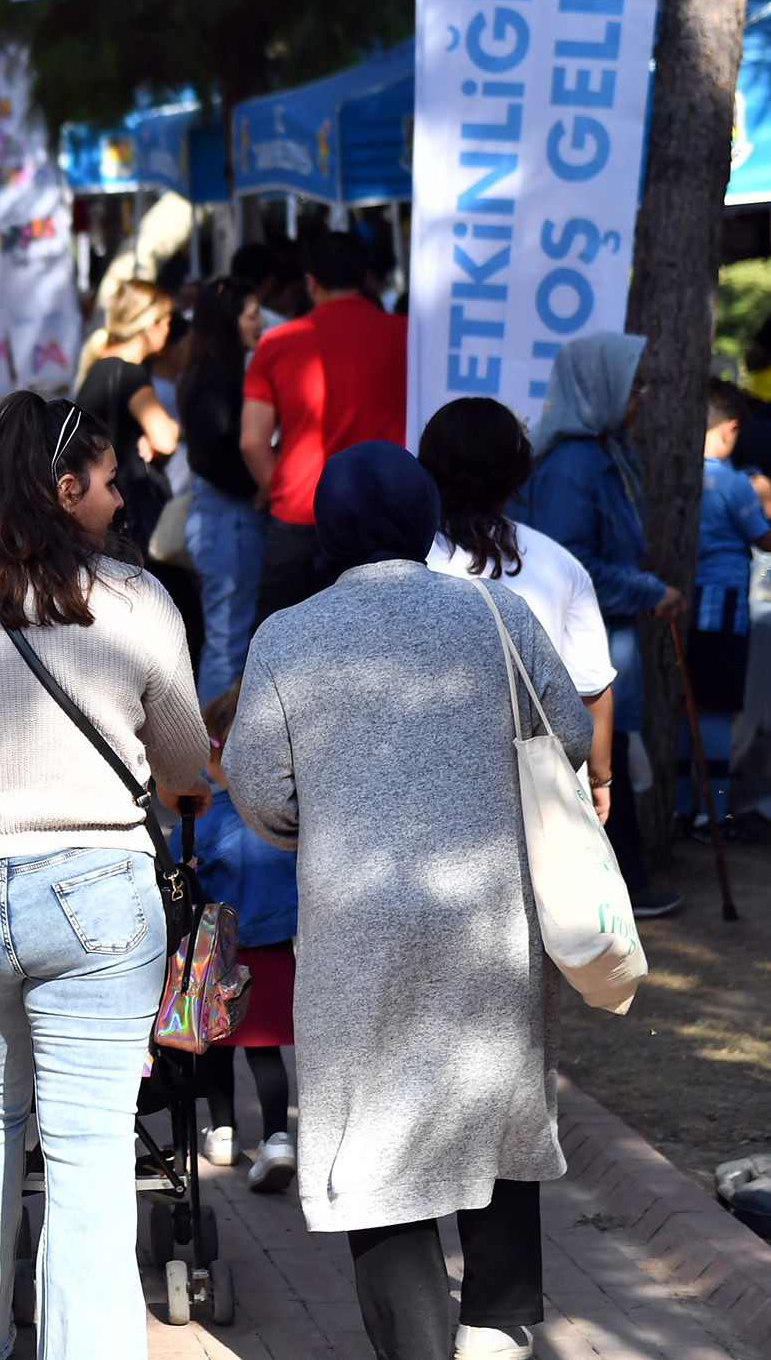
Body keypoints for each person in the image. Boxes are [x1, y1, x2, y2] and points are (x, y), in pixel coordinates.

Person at [227, 442, 590, 1360]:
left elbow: (260, 791)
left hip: (357, 926)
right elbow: (571, 732)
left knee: (373, 1134)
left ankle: (418, 1345)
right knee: (494, 1103)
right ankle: (497, 1324)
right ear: (423, 515)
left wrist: (326, 815)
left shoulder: (286, 636)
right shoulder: (497, 612)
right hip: (492, 913)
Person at [0, 391, 210, 1360]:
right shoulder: (134, 601)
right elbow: (182, 760)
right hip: (95, 889)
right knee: (89, 1144)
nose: (120, 499)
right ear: (66, 489)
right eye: (107, 481)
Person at [512, 334, 683, 918]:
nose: (641, 398)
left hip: (607, 629)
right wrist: (648, 590)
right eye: (634, 386)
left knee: (611, 750)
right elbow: (570, 564)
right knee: (599, 754)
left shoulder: (604, 452)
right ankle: (620, 886)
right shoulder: (574, 464)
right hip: (587, 633)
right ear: (599, 388)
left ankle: (624, 881)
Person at [421, 397, 621, 833]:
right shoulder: (561, 565)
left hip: (429, 791)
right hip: (540, 803)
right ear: (517, 472)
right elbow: (592, 691)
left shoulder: (407, 561)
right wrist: (599, 778)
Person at [240, 231, 407, 624]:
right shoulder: (408, 335)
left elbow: (252, 442)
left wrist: (278, 491)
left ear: (310, 282)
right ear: (365, 278)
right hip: (385, 516)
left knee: (278, 642)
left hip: (301, 512)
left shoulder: (276, 342)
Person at [190, 684, 299, 1193]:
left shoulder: (207, 817)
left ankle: (223, 1132)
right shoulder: (284, 816)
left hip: (220, 952)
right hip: (275, 951)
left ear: (217, 751)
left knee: (215, 1044)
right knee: (265, 1049)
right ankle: (277, 1139)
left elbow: (186, 874)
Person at [178, 275, 267, 704]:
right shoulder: (218, 377)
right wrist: (259, 487)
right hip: (228, 519)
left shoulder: (210, 372)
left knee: (229, 640)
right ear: (228, 322)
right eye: (252, 315)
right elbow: (208, 457)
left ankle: (213, 742)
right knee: (229, 644)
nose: (260, 323)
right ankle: (211, 746)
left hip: (222, 518)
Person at [693, 381, 771, 833]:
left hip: (687, 607)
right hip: (723, 609)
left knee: (690, 707)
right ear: (730, 429)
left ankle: (685, 807)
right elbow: (765, 538)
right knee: (717, 711)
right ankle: (715, 814)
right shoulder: (733, 482)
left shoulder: (683, 473)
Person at [76, 279, 181, 549]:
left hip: (98, 506)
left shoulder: (98, 366)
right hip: (125, 510)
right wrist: (164, 433)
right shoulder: (130, 374)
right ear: (150, 325)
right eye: (166, 322)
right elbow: (166, 440)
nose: (168, 330)